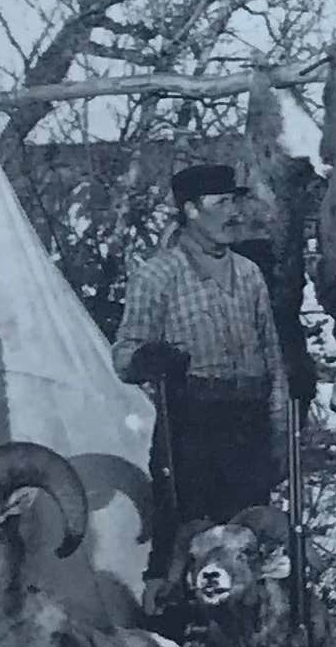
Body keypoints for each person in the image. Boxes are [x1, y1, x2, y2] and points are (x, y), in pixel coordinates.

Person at [117, 160, 290, 532]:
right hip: (192, 429)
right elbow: (123, 356)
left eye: (235, 203)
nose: (234, 214)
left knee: (247, 542)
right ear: (191, 211)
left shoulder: (249, 273)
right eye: (221, 204)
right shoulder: (157, 275)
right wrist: (148, 359)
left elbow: (272, 358)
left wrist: (279, 429)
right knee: (191, 540)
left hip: (250, 425)